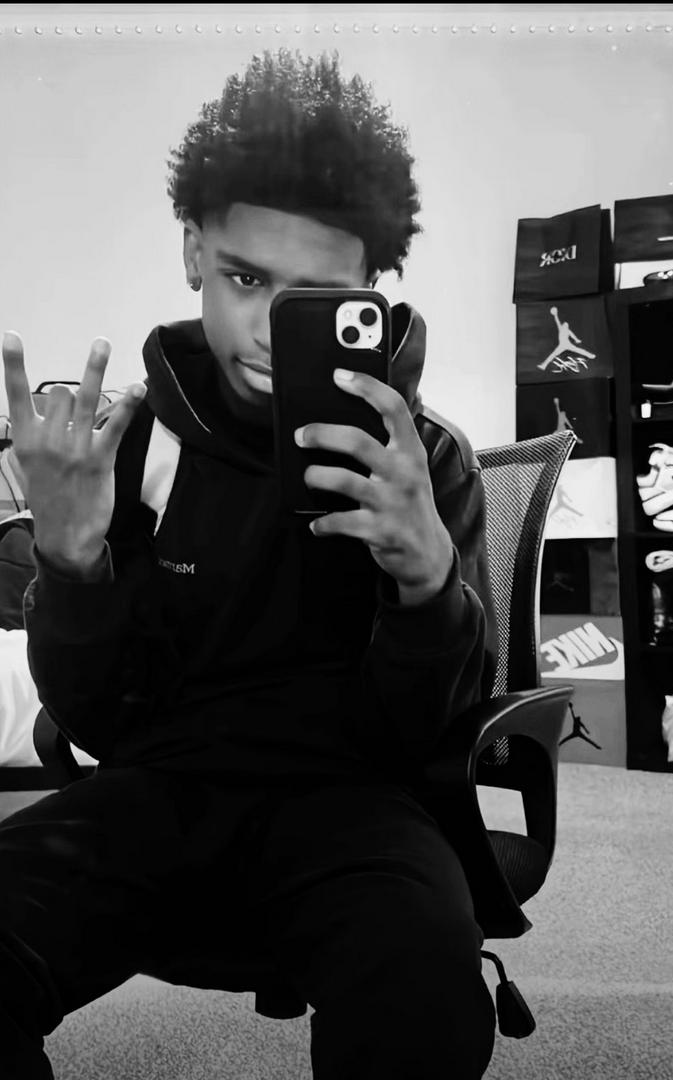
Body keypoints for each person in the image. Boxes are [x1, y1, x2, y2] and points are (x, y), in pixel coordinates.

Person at [0, 48, 499, 1079]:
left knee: (424, 993)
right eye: (244, 278)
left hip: (356, 806)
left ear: (369, 290)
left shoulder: (421, 463)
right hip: (157, 795)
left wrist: (425, 585)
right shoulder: (131, 448)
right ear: (192, 252)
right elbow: (98, 720)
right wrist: (71, 565)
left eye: (314, 296)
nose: (271, 333)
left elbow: (429, 735)